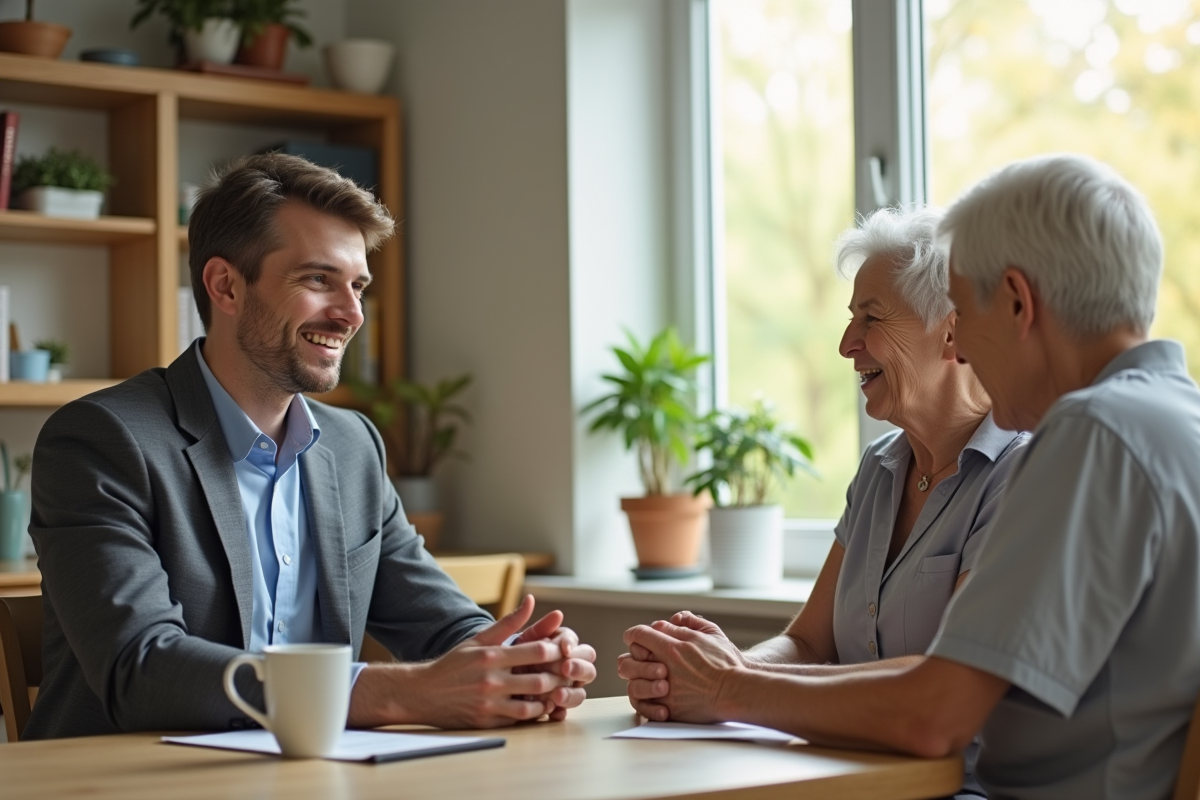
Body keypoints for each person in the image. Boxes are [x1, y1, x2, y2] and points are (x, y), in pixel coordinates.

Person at [620, 153, 1200, 799]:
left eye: (966, 312)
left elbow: (935, 715)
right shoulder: (1171, 418)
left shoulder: (1092, 434)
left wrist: (726, 687)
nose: (962, 346)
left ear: (1017, 301)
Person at [24, 154, 596, 739]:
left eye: (358, 286)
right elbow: (140, 669)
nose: (351, 314)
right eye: (318, 279)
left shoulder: (353, 446)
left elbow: (440, 624)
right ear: (225, 285)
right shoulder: (102, 440)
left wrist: (524, 663)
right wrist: (400, 693)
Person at [618, 206, 1027, 796]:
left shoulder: (1020, 472)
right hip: (851, 776)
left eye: (871, 317)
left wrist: (727, 684)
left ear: (951, 330)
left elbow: (941, 682)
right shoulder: (880, 467)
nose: (846, 344)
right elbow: (810, 642)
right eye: (849, 317)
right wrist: (709, 668)